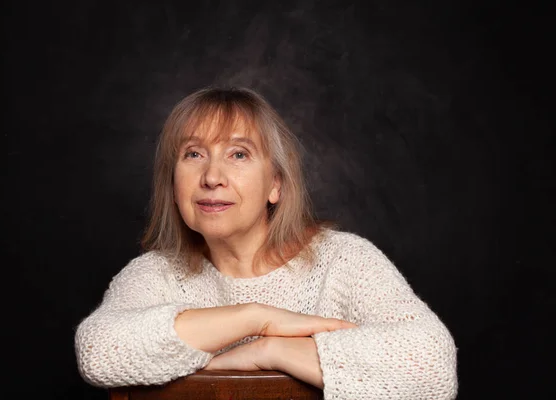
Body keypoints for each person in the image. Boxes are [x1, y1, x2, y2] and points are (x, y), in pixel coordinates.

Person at [74, 86, 458, 399]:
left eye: (238, 154)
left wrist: (267, 349)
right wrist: (259, 318)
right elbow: (98, 351)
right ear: (174, 187)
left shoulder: (344, 260)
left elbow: (433, 366)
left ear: (275, 184)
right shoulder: (154, 275)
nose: (212, 177)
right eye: (193, 154)